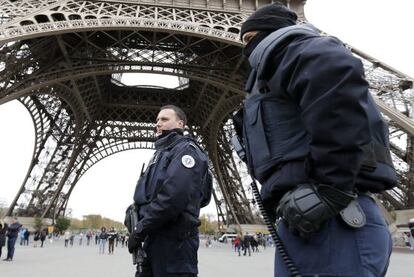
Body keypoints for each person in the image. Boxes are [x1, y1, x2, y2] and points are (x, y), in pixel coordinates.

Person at [235, 3, 397, 276]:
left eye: (250, 39)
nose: (245, 48)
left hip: (334, 218)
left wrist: (330, 186)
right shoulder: (273, 72)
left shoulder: (298, 49)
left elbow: (337, 90)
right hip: (307, 216)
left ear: (272, 30)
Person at [127, 105, 212, 277]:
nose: (158, 123)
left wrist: (140, 229)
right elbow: (152, 195)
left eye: (164, 119)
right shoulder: (160, 154)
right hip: (153, 237)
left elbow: (173, 198)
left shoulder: (187, 151)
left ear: (181, 124)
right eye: (157, 120)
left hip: (174, 242)